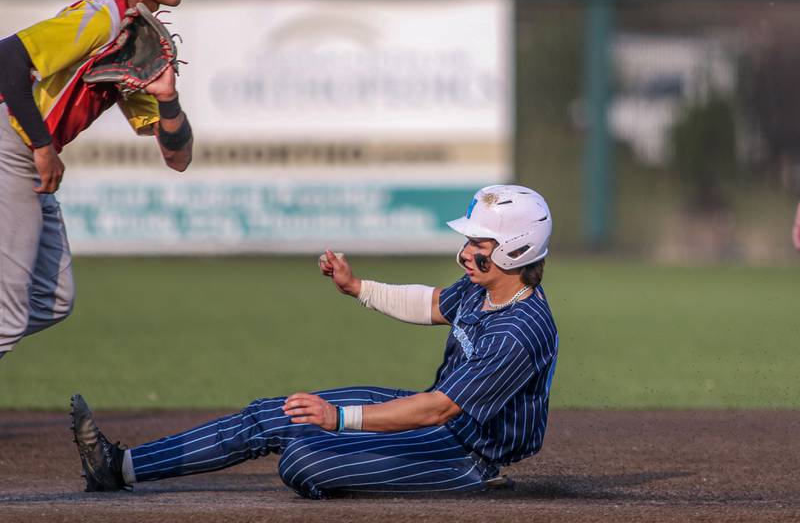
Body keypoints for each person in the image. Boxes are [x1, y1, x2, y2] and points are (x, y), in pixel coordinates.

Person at [71, 184, 559, 498]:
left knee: (305, 459)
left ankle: (477, 482)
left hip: (465, 453)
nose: (466, 251)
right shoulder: (483, 290)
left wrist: (339, 419)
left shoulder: (521, 329)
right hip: (434, 422)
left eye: (480, 244)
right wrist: (358, 288)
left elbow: (439, 409)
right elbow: (433, 304)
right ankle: (120, 467)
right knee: (273, 415)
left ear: (518, 249)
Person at [0, 0, 214, 359]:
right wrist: (41, 146)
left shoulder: (138, 36)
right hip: (12, 139)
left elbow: (177, 158)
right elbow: (7, 57)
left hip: (26, 146)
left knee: (51, 302)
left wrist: (168, 98)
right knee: (7, 316)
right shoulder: (106, 15)